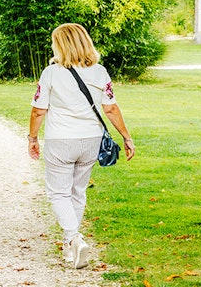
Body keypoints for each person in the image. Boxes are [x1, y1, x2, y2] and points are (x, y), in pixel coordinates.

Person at [27, 23, 135, 269]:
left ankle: (74, 237)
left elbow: (38, 110)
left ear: (60, 45)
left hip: (61, 140)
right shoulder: (100, 72)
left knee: (58, 193)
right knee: (77, 191)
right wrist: (127, 137)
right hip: (90, 140)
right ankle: (70, 247)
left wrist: (32, 138)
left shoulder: (51, 73)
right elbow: (111, 108)